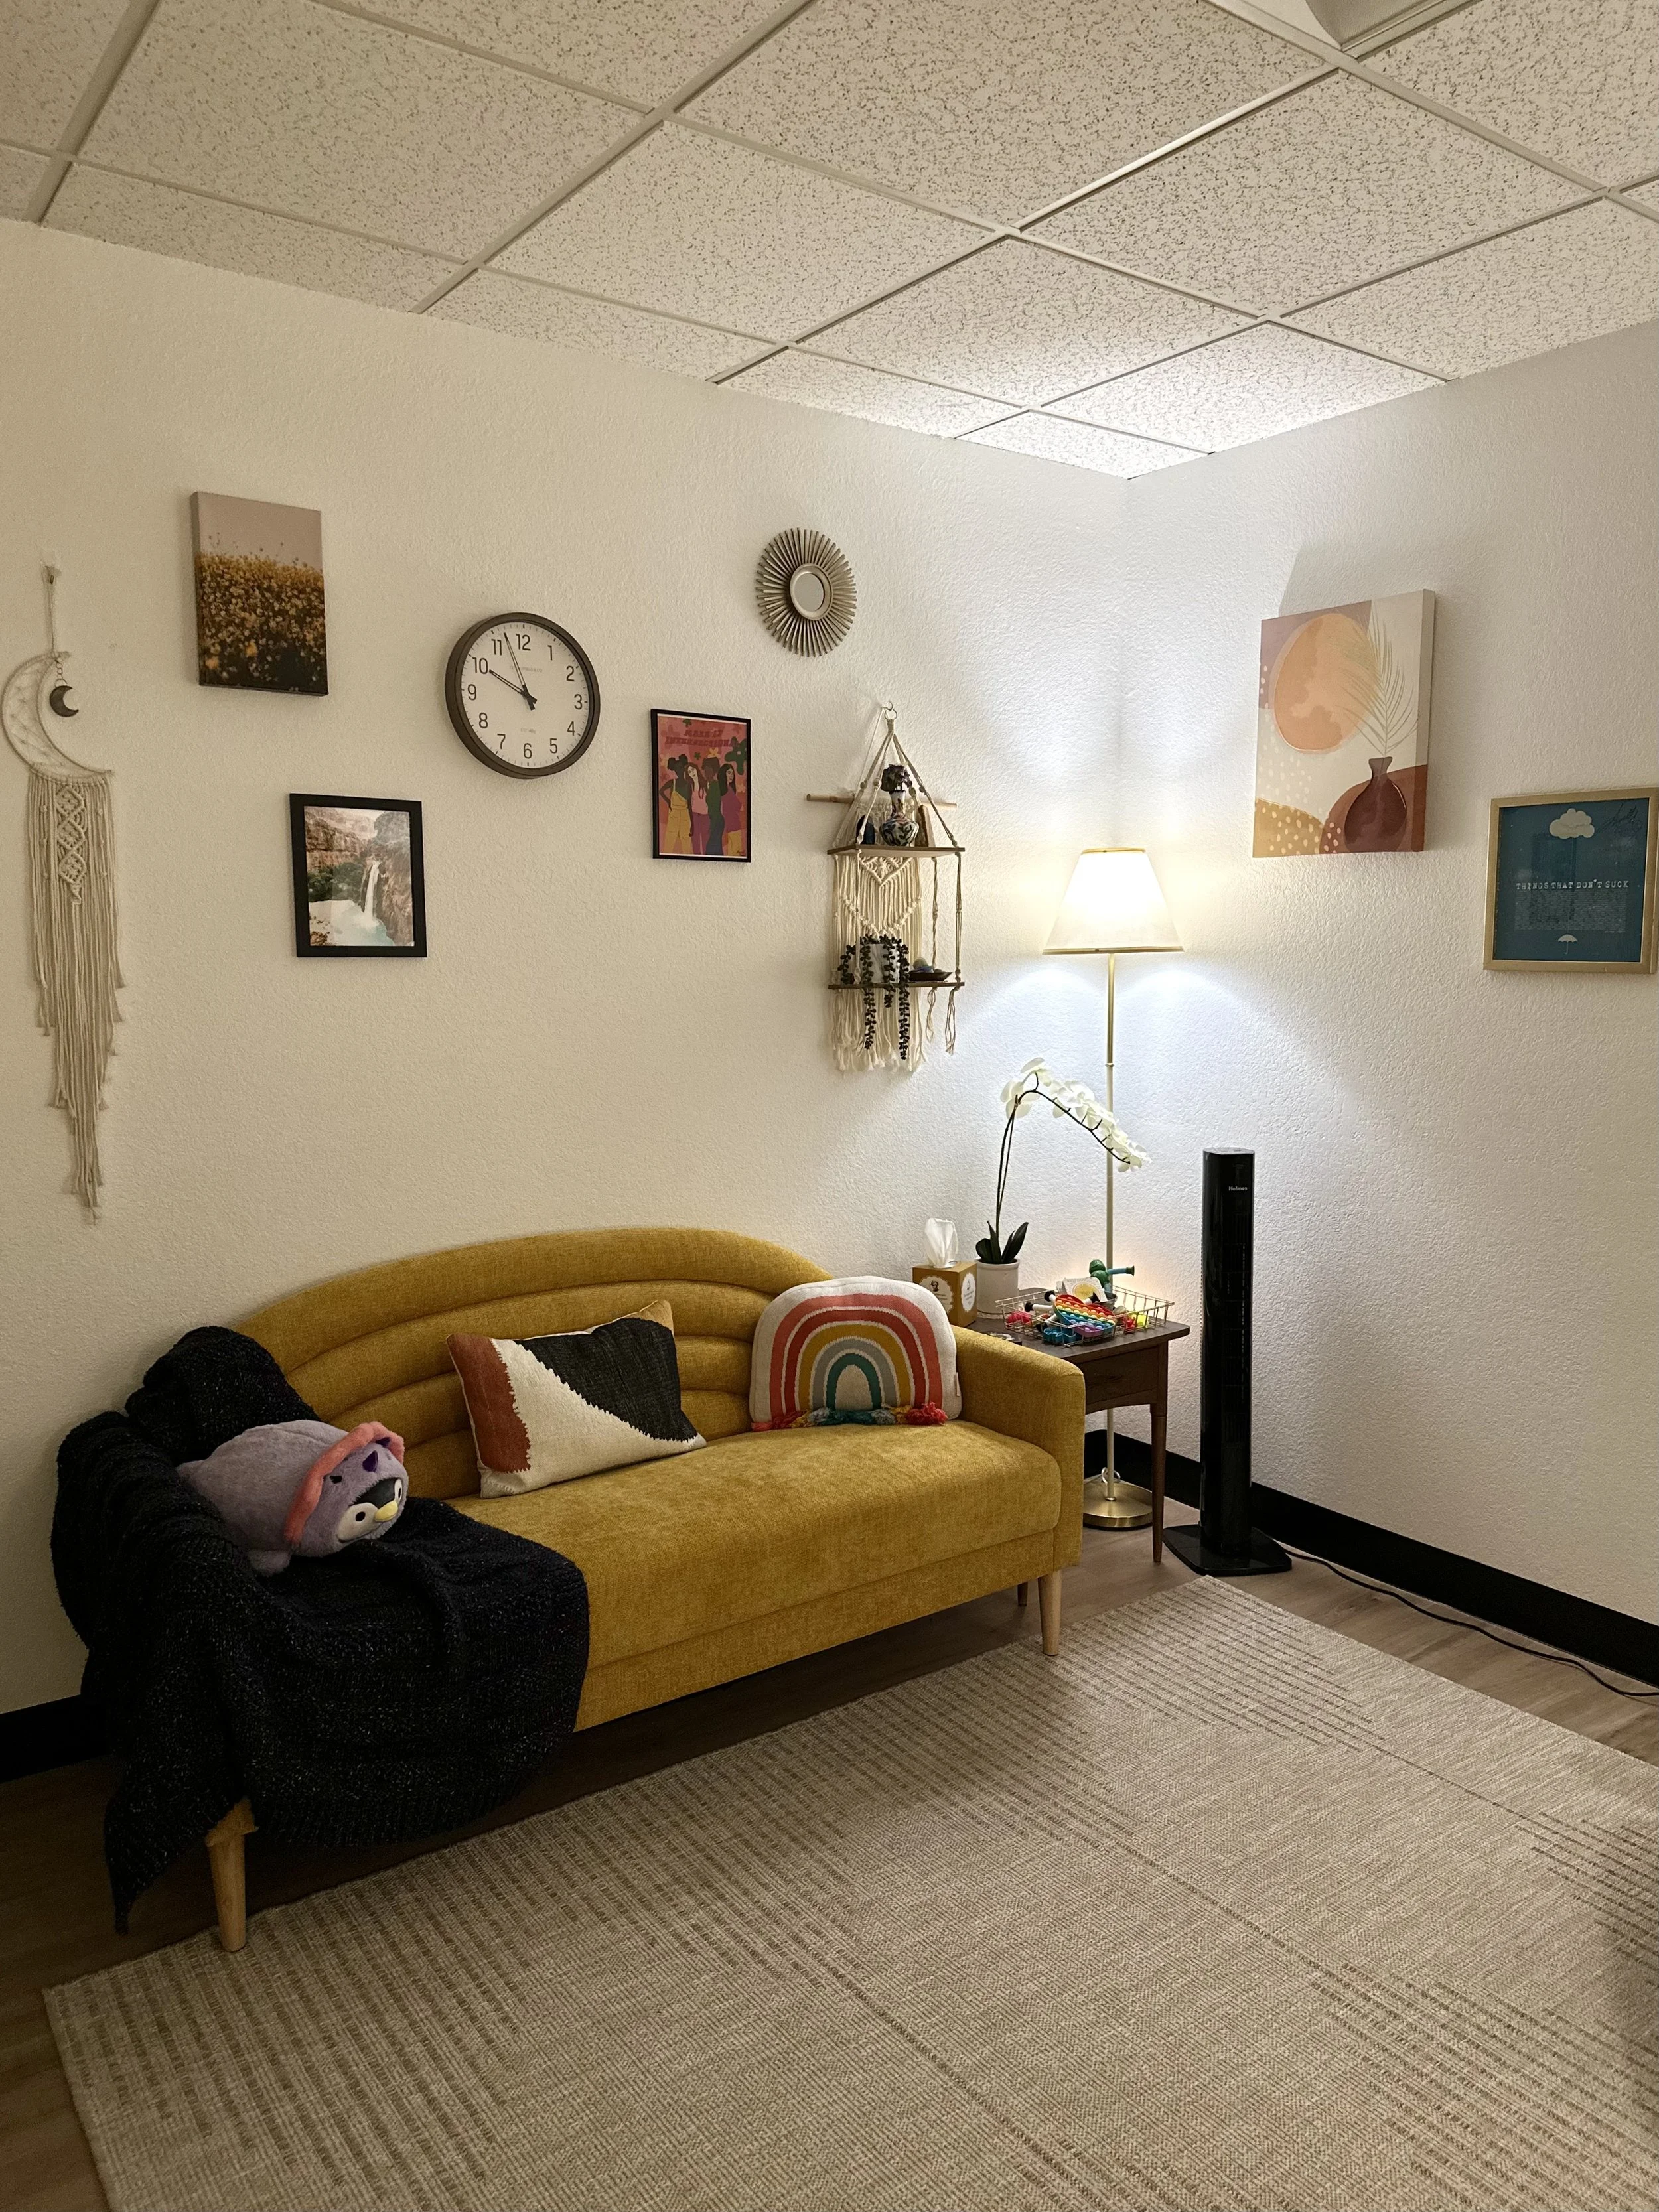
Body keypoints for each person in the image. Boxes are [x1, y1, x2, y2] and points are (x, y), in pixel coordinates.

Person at [660, 754, 693, 855]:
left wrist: (693, 824)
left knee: (686, 839)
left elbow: (690, 804)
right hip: (674, 814)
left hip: (685, 814)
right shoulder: (672, 783)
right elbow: (661, 791)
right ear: (675, 770)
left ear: (684, 769)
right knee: (670, 838)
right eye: (677, 769)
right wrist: (669, 802)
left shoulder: (688, 785)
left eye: (681, 768)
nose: (679, 771)